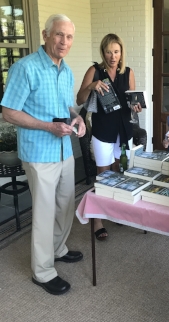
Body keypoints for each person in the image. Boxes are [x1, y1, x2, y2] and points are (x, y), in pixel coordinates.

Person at [1, 14, 86, 296]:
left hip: (64, 150)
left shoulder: (67, 70)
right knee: (44, 212)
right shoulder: (25, 68)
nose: (64, 41)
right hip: (39, 152)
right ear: (46, 34)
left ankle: (58, 249)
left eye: (69, 37)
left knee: (64, 205)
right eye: (59, 35)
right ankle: (43, 271)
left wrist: (78, 118)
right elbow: (9, 111)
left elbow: (68, 106)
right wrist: (47, 126)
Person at [76, 33, 142, 241]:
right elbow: (80, 98)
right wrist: (91, 86)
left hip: (124, 129)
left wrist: (136, 108)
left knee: (121, 170)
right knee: (103, 173)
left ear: (121, 52)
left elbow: (131, 102)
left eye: (116, 51)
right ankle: (98, 219)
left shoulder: (128, 72)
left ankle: (115, 209)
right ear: (102, 52)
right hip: (103, 129)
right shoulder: (94, 71)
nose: (113, 56)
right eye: (108, 52)